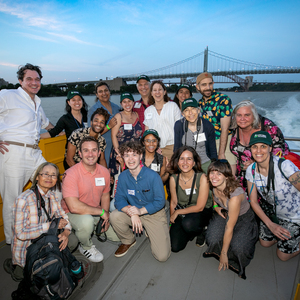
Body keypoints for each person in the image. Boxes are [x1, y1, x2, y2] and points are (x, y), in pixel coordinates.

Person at [0, 63, 55, 244]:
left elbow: (48, 126)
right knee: (12, 201)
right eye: (29, 79)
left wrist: (71, 132)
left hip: (34, 152)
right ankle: (14, 244)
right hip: (13, 152)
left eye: (37, 79)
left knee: (52, 183)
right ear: (20, 81)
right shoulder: (8, 95)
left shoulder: (37, 103)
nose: (34, 82)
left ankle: (45, 230)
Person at [4, 162, 71, 282]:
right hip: (28, 250)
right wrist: (49, 226)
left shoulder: (53, 196)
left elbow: (63, 216)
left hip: (45, 242)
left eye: (53, 175)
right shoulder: (23, 200)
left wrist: (66, 231)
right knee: (23, 278)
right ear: (37, 177)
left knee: (72, 241)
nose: (49, 178)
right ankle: (15, 267)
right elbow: (21, 233)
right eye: (45, 174)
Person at [110, 141, 171, 262]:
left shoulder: (153, 176)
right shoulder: (123, 177)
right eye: (127, 155)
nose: (130, 159)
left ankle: (152, 228)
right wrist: (132, 212)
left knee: (162, 256)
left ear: (141, 156)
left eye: (134, 155)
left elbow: (160, 202)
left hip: (153, 214)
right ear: (123, 158)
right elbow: (119, 200)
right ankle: (128, 240)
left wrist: (139, 211)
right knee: (114, 216)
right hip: (134, 211)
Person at [246, 131, 300, 261]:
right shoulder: (251, 170)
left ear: (270, 148)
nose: (259, 150)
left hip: (294, 217)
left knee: (282, 256)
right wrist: (270, 224)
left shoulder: (285, 166)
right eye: (255, 146)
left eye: (263, 146)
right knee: (265, 243)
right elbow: (253, 201)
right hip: (273, 214)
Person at [203, 160, 258, 280]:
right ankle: (221, 250)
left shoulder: (235, 196)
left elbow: (229, 227)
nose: (214, 177)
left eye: (219, 174)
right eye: (212, 173)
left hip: (243, 218)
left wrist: (223, 254)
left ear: (227, 177)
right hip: (226, 213)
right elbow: (214, 196)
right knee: (212, 237)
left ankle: (227, 254)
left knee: (239, 247)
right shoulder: (214, 185)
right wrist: (216, 207)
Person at [61, 136, 111, 263]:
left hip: (94, 211)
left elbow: (105, 195)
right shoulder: (71, 174)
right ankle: (86, 246)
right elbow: (73, 207)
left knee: (116, 237)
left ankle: (92, 228)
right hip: (72, 213)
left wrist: (105, 217)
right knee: (86, 221)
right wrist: (101, 213)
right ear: (80, 153)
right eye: (86, 150)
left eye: (94, 150)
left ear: (99, 153)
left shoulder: (104, 172)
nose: (90, 154)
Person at [230, 100, 289, 192]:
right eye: (239, 115)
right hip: (243, 178)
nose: (242, 119)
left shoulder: (269, 128)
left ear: (254, 116)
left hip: (267, 177)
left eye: (247, 115)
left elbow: (279, 153)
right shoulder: (234, 128)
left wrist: (256, 163)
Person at [168, 146, 212, 252]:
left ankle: (202, 229)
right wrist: (171, 222)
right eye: (182, 158)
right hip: (184, 211)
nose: (185, 162)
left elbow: (200, 207)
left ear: (194, 162)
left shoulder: (202, 178)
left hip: (202, 211)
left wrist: (178, 212)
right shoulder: (173, 178)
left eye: (189, 159)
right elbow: (173, 202)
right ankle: (188, 231)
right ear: (177, 162)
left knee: (189, 224)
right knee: (175, 247)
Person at [196, 72, 236, 172]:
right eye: (204, 85)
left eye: (210, 84)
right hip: (206, 143)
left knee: (229, 174)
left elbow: (225, 129)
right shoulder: (199, 103)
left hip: (222, 141)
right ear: (198, 87)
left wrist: (221, 153)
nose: (208, 87)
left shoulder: (223, 100)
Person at [40, 90, 89, 169]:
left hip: (88, 155)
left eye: (79, 99)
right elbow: (53, 132)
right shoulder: (65, 119)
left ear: (82, 101)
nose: (77, 102)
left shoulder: (89, 116)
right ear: (68, 102)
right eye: (73, 100)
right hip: (72, 157)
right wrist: (35, 136)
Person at [174, 97, 217, 173]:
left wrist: (214, 167)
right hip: (186, 163)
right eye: (186, 110)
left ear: (198, 110)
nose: (190, 113)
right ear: (183, 114)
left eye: (193, 109)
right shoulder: (179, 125)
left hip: (204, 162)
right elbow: (176, 149)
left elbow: (213, 151)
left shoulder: (207, 126)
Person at [144, 80, 181, 160]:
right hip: (154, 148)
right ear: (151, 93)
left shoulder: (173, 106)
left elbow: (180, 128)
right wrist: (151, 147)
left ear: (164, 92)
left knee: (172, 171)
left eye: (160, 89)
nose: (157, 92)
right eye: (154, 90)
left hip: (172, 147)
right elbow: (147, 131)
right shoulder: (148, 110)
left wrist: (177, 148)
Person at [109, 92, 142, 177]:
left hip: (134, 153)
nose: (127, 104)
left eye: (129, 101)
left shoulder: (137, 115)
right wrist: (119, 153)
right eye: (124, 102)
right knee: (121, 179)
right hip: (121, 153)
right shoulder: (118, 116)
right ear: (121, 104)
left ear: (133, 102)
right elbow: (113, 136)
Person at [88, 82, 120, 165]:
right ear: (97, 94)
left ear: (109, 92)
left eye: (106, 90)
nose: (104, 93)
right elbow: (91, 135)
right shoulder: (93, 110)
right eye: (100, 91)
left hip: (117, 147)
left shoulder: (117, 107)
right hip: (103, 149)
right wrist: (108, 126)